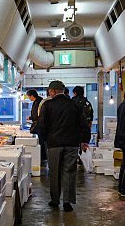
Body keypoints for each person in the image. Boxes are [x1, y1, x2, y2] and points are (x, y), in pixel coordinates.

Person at [38, 81, 90, 212]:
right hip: (72, 144)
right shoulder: (75, 104)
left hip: (54, 144)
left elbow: (42, 125)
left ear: (52, 91)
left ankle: (55, 200)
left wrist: (44, 139)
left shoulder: (47, 105)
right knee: (69, 172)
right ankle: (67, 202)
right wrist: (84, 140)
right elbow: (83, 124)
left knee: (54, 172)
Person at [26, 89, 46, 162]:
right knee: (40, 142)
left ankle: (42, 158)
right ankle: (42, 157)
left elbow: (37, 115)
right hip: (39, 124)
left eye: (29, 97)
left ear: (32, 96)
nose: (29, 98)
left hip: (39, 125)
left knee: (40, 142)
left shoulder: (38, 102)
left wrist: (30, 117)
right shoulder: (38, 101)